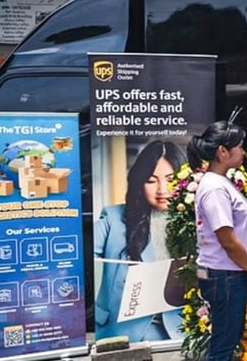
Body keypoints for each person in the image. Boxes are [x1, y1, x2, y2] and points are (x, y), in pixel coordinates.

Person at [188, 120, 247, 361]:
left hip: (226, 273)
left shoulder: (218, 183)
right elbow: (227, 239)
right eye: (240, 147)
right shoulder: (214, 188)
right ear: (223, 151)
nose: (243, 152)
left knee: (226, 339)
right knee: (224, 344)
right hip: (225, 275)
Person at [94, 140, 187, 342]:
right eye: (151, 181)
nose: (162, 190)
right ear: (139, 182)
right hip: (126, 330)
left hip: (179, 329)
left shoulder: (196, 220)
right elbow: (78, 258)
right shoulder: (114, 218)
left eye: (170, 179)